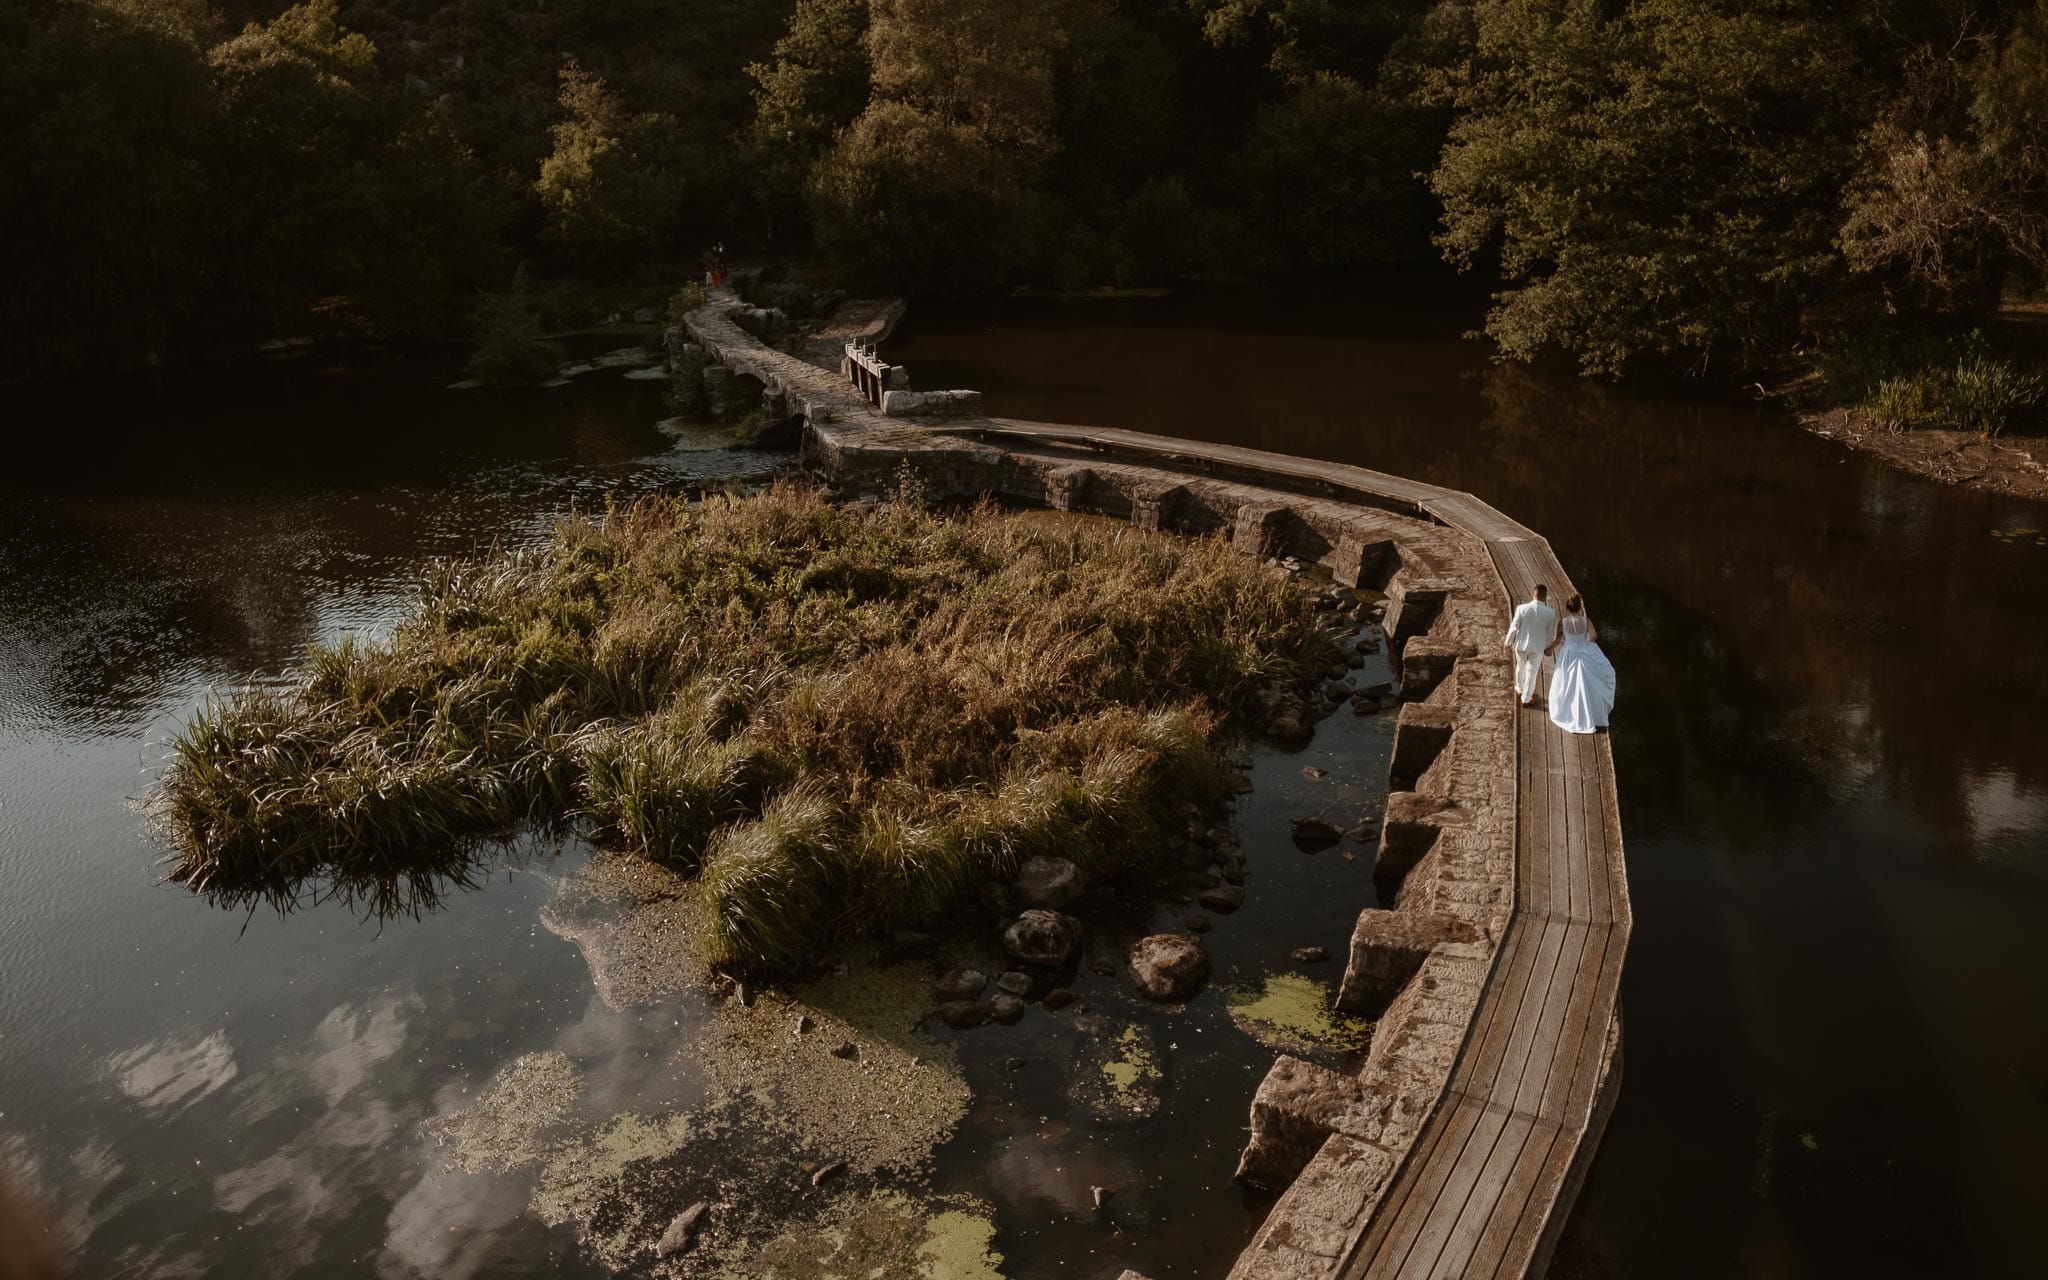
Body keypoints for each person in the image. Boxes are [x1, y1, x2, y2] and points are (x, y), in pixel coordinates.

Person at [1545, 593, 1616, 734]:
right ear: (1579, 607)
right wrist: (1587, 643)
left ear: (1567, 607)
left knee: (1567, 682)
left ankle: (1570, 712)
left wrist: (1549, 649)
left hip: (1569, 653)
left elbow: (1559, 639)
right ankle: (1593, 713)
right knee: (1589, 682)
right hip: (1584, 651)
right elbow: (1594, 636)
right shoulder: (1586, 621)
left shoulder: (1563, 622)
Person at [1503, 583, 1559, 708]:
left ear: (1532, 594)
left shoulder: (1521, 608)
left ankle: (1519, 688)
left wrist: (1507, 642)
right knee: (1531, 672)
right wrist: (1548, 648)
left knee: (1520, 667)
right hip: (1537, 648)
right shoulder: (1550, 613)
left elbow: (1514, 627)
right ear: (1545, 597)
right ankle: (1526, 698)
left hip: (1521, 645)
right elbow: (1550, 634)